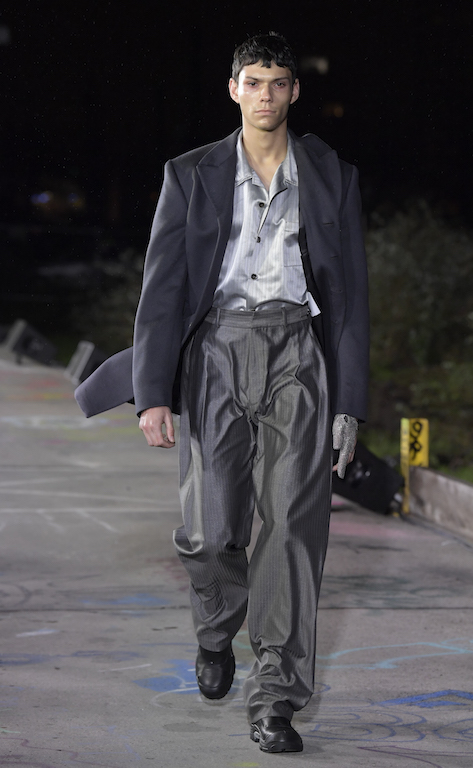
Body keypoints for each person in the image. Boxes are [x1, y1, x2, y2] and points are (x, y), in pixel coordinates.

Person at [77, 31, 369, 754]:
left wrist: (349, 402)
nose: (265, 95)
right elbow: (163, 288)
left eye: (278, 82)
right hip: (215, 351)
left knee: (293, 530)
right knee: (210, 533)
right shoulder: (191, 174)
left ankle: (276, 699)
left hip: (298, 351)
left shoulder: (332, 175)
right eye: (253, 82)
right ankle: (216, 630)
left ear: (294, 91)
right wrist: (153, 392)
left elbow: (352, 298)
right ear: (233, 89)